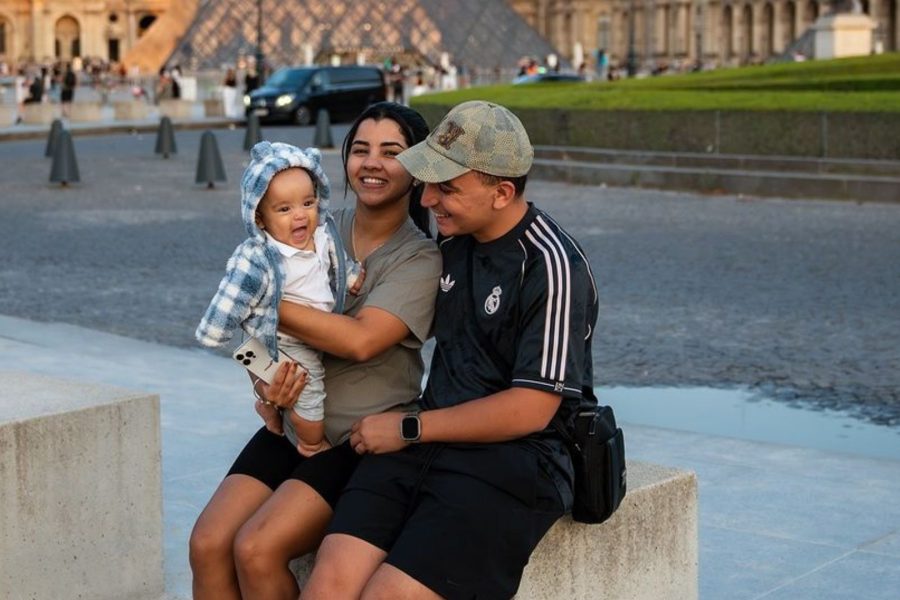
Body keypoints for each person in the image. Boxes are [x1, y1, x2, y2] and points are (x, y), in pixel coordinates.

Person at [302, 100, 599, 599]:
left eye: (448, 187)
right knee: (328, 582)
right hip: (425, 441)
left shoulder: (552, 265)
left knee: (388, 595)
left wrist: (410, 428)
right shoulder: (449, 241)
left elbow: (533, 407)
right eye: (430, 180)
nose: (430, 198)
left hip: (519, 459)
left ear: (502, 192)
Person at [188, 101, 441, 599]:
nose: (372, 163)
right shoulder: (312, 222)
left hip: (358, 436)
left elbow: (361, 340)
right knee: (207, 542)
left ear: (417, 169)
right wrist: (262, 380)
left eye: (392, 152)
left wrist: (263, 303)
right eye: (360, 149)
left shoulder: (421, 259)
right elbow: (257, 338)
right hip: (292, 420)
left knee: (257, 549)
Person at [196, 142, 361, 453]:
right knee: (308, 389)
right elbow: (231, 294)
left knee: (269, 372)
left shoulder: (323, 234)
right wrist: (214, 332)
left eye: (308, 203)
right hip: (285, 337)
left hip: (312, 329)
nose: (299, 216)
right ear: (260, 218)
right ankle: (312, 445)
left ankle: (270, 409)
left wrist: (352, 277)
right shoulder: (260, 256)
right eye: (284, 209)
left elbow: (336, 263)